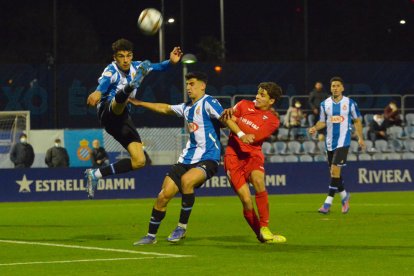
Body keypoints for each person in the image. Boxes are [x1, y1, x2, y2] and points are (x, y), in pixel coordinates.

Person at [130, 72, 224, 245]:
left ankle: (181, 227)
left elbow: (225, 118)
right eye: (187, 84)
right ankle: (151, 236)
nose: (188, 87)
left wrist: (240, 133)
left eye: (192, 84)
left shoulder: (209, 102)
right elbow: (165, 108)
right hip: (185, 159)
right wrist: (140, 103)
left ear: (202, 85)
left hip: (208, 157)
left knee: (187, 181)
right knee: (163, 196)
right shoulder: (187, 107)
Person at [84, 38, 182, 199]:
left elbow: (159, 67)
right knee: (118, 102)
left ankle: (95, 174)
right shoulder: (111, 70)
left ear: (132, 56)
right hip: (107, 111)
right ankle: (130, 86)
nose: (125, 60)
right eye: (121, 56)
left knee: (139, 160)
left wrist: (171, 62)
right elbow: (103, 84)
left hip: (122, 119)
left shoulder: (138, 66)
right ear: (114, 58)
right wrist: (97, 92)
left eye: (128, 56)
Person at [221, 82, 286, 243]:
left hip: (253, 156)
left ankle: (265, 226)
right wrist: (232, 118)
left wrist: (235, 119)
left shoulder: (272, 120)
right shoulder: (243, 104)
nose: (257, 96)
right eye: (258, 93)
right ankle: (261, 235)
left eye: (262, 95)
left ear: (271, 101)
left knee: (258, 181)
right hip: (233, 156)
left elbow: (254, 136)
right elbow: (225, 119)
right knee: (246, 200)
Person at [308, 76, 365, 214]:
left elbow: (357, 121)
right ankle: (345, 196)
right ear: (331, 88)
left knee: (334, 171)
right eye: (333, 85)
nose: (335, 88)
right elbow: (322, 121)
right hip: (329, 142)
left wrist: (360, 138)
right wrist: (315, 127)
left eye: (338, 85)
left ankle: (327, 204)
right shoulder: (324, 104)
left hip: (343, 141)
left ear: (342, 88)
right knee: (334, 173)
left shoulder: (350, 103)